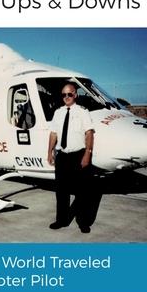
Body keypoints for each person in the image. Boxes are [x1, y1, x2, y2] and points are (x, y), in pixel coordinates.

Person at [47, 82, 95, 233]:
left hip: (78, 155)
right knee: (61, 191)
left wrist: (87, 153)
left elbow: (89, 133)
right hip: (62, 156)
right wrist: (49, 152)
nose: (66, 97)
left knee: (82, 191)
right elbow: (53, 134)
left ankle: (83, 222)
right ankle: (61, 220)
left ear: (75, 95)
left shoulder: (83, 112)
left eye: (69, 94)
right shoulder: (58, 112)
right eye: (64, 95)